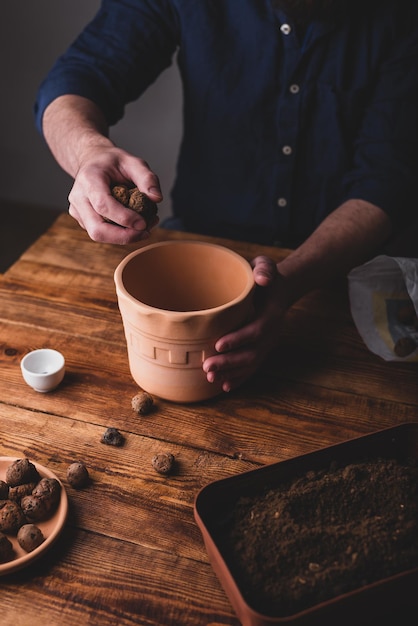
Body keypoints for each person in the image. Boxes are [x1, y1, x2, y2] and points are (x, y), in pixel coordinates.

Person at [35, 0, 418, 393]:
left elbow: (387, 180)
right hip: (201, 235)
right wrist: (89, 153)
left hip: (346, 277)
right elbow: (75, 80)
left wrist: (288, 284)